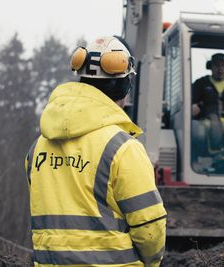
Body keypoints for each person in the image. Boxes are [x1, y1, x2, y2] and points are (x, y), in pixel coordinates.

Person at [24, 36, 167, 267]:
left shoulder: (38, 147)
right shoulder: (123, 149)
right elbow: (149, 227)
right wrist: (152, 262)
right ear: (125, 85)